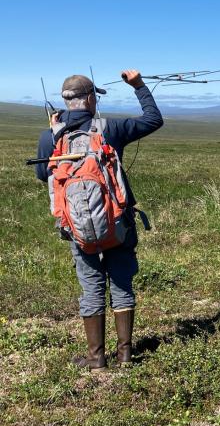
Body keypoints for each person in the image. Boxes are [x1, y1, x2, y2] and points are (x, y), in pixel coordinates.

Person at [34, 70, 163, 369]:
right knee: (121, 283)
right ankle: (126, 355)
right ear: (90, 98)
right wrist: (139, 86)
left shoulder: (50, 136)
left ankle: (96, 358)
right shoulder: (110, 128)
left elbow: (44, 175)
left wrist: (53, 135)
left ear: (67, 102)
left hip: (77, 228)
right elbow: (153, 119)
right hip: (118, 222)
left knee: (91, 287)